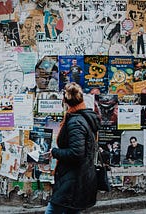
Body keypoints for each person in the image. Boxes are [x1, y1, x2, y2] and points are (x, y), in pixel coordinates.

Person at [45, 82, 101, 214]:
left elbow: (76, 153)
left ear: (65, 101)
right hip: (78, 175)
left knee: (53, 209)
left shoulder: (75, 122)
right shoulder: (82, 117)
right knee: (72, 209)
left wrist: (55, 152)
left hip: (73, 178)